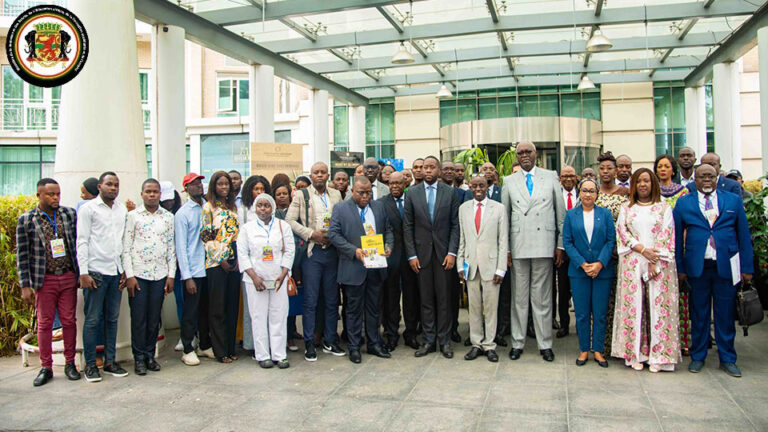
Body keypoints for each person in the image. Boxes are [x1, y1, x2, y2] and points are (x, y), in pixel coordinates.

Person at [674, 164, 754, 377]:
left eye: (711, 176)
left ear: (717, 178)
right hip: (697, 267)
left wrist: (747, 268)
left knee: (725, 315)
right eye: (702, 176)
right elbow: (677, 239)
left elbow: (744, 236)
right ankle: (698, 356)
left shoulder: (733, 201)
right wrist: (680, 268)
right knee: (698, 314)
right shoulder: (684, 203)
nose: (707, 180)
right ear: (695, 179)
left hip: (726, 266)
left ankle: (728, 358)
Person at [612, 168, 681, 372]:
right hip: (633, 260)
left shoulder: (664, 208)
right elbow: (622, 232)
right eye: (639, 181)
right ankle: (635, 353)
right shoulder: (627, 208)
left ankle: (659, 356)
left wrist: (654, 258)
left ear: (653, 184)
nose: (643, 184)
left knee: (658, 306)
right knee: (634, 306)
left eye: (647, 181)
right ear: (633, 185)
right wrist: (642, 249)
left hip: (659, 262)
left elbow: (667, 233)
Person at [502, 141, 565, 362]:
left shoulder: (550, 177)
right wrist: (506, 249)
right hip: (518, 245)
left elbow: (560, 213)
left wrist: (560, 245)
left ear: (536, 154)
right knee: (519, 298)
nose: (524, 155)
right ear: (516, 156)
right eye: (520, 152)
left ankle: (545, 344)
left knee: (542, 298)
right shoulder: (508, 181)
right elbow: (505, 218)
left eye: (528, 151)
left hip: (543, 244)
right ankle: (517, 342)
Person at [17, 178, 80, 386]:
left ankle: (70, 363)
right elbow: (22, 255)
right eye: (50, 194)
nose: (55, 198)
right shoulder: (27, 220)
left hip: (68, 276)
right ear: (39, 195)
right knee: (44, 324)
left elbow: (78, 243)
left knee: (69, 321)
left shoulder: (69, 214)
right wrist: (25, 285)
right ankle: (46, 367)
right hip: (44, 279)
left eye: (58, 194)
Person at [330, 176, 394, 363]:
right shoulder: (341, 209)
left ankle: (374, 343)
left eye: (368, 193)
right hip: (353, 267)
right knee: (353, 310)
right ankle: (354, 346)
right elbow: (334, 234)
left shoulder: (379, 207)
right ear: (352, 191)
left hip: (376, 267)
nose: (365, 196)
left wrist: (388, 246)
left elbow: (388, 230)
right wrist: (353, 251)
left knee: (374, 309)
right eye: (361, 193)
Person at [286, 162, 345, 361]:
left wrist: (334, 236)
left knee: (331, 299)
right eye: (316, 172)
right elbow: (289, 221)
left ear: (328, 175)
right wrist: (312, 234)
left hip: (332, 251)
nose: (319, 175)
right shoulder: (301, 195)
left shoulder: (336, 195)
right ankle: (310, 342)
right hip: (313, 252)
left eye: (323, 172)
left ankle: (330, 340)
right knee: (311, 300)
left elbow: (341, 218)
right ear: (310, 175)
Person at [404, 156, 460, 358]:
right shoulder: (412, 193)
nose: (427, 170)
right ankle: (429, 341)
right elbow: (408, 226)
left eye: (431, 167)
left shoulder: (449, 192)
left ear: (439, 170)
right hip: (421, 255)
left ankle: (444, 341)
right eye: (425, 167)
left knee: (444, 299)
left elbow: (455, 225)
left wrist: (452, 252)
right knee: (426, 299)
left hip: (444, 255)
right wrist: (411, 255)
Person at [77, 171, 129, 382]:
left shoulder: (121, 209)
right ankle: (91, 365)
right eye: (109, 184)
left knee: (112, 319)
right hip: (95, 272)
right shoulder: (88, 209)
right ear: (99, 187)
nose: (113, 188)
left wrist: (125, 270)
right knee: (92, 320)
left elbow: (123, 242)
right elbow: (82, 240)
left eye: (116, 185)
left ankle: (110, 361)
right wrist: (83, 272)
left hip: (116, 272)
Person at [122, 179, 176, 375]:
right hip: (138, 276)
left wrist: (171, 275)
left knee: (154, 319)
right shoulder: (132, 216)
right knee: (139, 318)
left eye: (155, 191)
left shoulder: (168, 217)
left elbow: (171, 247)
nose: (152, 195)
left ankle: (149, 356)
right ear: (142, 194)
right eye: (148, 191)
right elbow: (126, 248)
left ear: (160, 194)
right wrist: (129, 275)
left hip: (160, 275)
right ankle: (138, 358)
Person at [562, 178, 615, 367]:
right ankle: (584, 349)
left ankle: (598, 350)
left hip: (602, 271)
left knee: (600, 313)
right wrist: (583, 264)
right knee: (582, 313)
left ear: (597, 194)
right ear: (579, 192)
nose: (588, 194)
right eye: (584, 190)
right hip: (579, 272)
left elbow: (610, 240)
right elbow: (567, 242)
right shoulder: (571, 215)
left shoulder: (605, 214)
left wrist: (600, 263)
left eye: (592, 191)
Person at [237, 193, 295, 369]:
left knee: (279, 316)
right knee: (258, 317)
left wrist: (284, 273)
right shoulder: (247, 229)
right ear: (255, 208)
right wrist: (254, 277)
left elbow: (289, 250)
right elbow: (242, 254)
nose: (263, 209)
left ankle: (279, 355)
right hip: (255, 280)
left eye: (266, 205)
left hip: (278, 279)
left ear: (273, 207)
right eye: (259, 205)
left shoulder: (283, 226)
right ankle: (262, 355)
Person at [457, 175, 508, 362]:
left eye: (481, 185)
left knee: (491, 308)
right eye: (474, 185)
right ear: (470, 187)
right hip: (471, 266)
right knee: (473, 308)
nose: (478, 189)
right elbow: (462, 239)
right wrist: (460, 264)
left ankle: (489, 345)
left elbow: (503, 240)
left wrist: (501, 268)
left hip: (492, 266)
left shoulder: (499, 208)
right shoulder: (463, 209)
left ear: (488, 186)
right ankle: (476, 343)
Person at [201, 171, 240, 363]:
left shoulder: (233, 207)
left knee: (232, 306)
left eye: (227, 184)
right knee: (218, 308)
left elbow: (237, 234)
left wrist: (237, 259)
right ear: (214, 186)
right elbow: (206, 237)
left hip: (234, 261)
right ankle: (220, 350)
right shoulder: (208, 207)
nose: (224, 187)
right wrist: (220, 259)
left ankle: (231, 348)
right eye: (220, 184)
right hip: (216, 264)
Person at [655, 154, 692, 355]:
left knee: (681, 296)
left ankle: (683, 341)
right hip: (655, 250)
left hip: (678, 247)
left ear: (673, 170)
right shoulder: (652, 191)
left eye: (666, 166)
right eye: (659, 166)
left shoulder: (683, 192)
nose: (663, 170)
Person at [379, 172, 420, 350]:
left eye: (398, 183)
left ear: (405, 184)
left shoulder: (413, 200)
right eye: (391, 183)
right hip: (391, 258)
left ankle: (411, 333)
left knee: (411, 297)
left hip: (411, 257)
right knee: (391, 298)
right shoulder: (381, 203)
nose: (394, 186)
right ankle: (391, 334)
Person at [594, 152, 629, 356]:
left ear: (616, 171)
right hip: (598, 255)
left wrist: (618, 246)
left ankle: (620, 344)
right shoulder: (592, 192)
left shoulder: (625, 193)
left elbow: (631, 221)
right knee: (601, 302)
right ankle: (601, 344)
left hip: (621, 253)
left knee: (620, 299)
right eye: (602, 168)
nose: (605, 172)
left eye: (609, 168)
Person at [175, 173, 209, 366]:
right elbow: (181, 247)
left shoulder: (208, 207)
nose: (199, 186)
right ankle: (187, 348)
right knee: (190, 312)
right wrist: (187, 276)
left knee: (205, 310)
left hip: (209, 267)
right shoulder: (183, 213)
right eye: (193, 184)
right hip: (193, 270)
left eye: (200, 183)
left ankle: (204, 345)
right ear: (186, 189)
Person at [272, 183, 300, 352]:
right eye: (278, 194)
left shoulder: (294, 213)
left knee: (291, 299)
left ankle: (290, 334)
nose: (282, 196)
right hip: (274, 262)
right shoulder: (272, 213)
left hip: (293, 260)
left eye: (284, 193)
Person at [555, 165, 579, 339]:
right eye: (564, 176)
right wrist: (559, 247)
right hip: (561, 251)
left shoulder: (583, 194)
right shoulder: (555, 195)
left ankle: (581, 324)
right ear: (560, 179)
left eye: (571, 175)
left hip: (580, 250)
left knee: (579, 290)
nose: (568, 179)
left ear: (576, 178)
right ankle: (564, 324)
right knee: (563, 290)